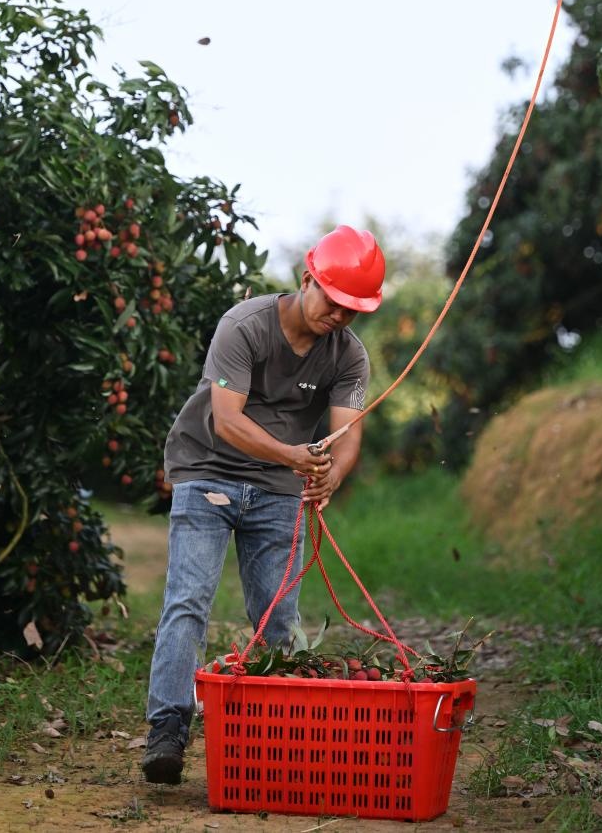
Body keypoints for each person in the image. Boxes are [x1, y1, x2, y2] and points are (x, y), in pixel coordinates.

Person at [141, 225, 386, 785]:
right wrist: (295, 458)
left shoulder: (348, 355)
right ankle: (168, 730)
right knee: (188, 602)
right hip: (208, 470)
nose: (341, 316)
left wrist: (333, 476)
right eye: (334, 300)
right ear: (308, 279)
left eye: (354, 309)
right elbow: (227, 422)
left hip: (280, 487)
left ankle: (282, 736)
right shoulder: (244, 326)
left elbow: (347, 435)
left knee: (280, 617)